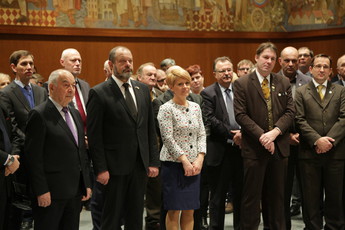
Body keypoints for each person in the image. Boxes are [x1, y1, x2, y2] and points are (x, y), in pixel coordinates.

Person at [87, 46, 160, 230]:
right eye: (122, 61)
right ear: (111, 64)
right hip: (113, 168)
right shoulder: (99, 92)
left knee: (135, 217)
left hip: (139, 166)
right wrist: (100, 169)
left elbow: (149, 129)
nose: (128, 65)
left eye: (130, 61)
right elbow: (95, 137)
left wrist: (153, 161)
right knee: (111, 218)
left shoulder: (142, 89)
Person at [233, 42, 295, 230]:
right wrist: (263, 136)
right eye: (265, 57)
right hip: (254, 149)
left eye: (272, 59)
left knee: (277, 199)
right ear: (256, 57)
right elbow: (240, 115)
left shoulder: (283, 82)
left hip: (279, 148)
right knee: (251, 199)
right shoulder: (242, 83)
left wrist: (275, 132)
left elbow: (290, 112)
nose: (269, 61)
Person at [24, 69, 91, 230]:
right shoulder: (39, 114)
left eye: (73, 85)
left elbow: (81, 152)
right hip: (51, 193)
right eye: (66, 85)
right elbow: (33, 158)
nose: (71, 89)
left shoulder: (74, 113)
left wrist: (86, 183)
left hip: (74, 191)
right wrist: (41, 191)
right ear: (52, 88)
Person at [295, 54, 345, 230]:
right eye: (318, 66)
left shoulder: (341, 91)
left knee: (335, 197)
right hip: (309, 153)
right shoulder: (301, 92)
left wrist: (328, 141)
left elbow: (343, 118)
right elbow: (299, 120)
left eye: (325, 66)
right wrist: (317, 140)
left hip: (336, 153)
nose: (321, 70)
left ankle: (334, 227)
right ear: (311, 69)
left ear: (331, 71)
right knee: (310, 199)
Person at [0, 50, 48, 230]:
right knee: (22, 209)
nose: (29, 67)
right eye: (23, 64)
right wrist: (33, 143)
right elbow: (12, 127)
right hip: (24, 154)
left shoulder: (40, 90)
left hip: (44, 155)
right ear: (13, 68)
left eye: (30, 64)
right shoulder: (7, 93)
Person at [157, 67, 206, 230]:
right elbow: (168, 139)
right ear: (171, 87)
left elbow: (201, 134)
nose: (185, 87)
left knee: (189, 209)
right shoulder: (166, 109)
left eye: (187, 83)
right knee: (174, 209)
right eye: (180, 84)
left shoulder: (195, 107)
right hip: (174, 165)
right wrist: (184, 161)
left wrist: (200, 158)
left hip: (194, 166)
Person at [200, 56, 243, 230]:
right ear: (214, 74)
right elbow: (210, 119)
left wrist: (244, 134)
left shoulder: (241, 90)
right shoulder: (208, 93)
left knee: (240, 195)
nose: (226, 74)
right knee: (217, 197)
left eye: (229, 70)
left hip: (241, 151)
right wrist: (234, 135)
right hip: (220, 151)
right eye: (222, 71)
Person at [277, 46, 311, 230]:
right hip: (282, 143)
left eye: (294, 60)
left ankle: (310, 225)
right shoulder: (272, 80)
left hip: (305, 142)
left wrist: (302, 134)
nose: (291, 64)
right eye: (287, 60)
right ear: (280, 61)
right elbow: (270, 114)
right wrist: (286, 135)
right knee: (283, 190)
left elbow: (313, 112)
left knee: (308, 190)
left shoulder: (308, 81)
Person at [136, 62, 162, 230]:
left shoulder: (160, 95)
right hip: (138, 152)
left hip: (157, 151)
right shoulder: (133, 94)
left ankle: (153, 224)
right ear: (139, 77)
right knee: (136, 196)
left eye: (155, 75)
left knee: (155, 195)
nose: (153, 77)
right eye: (149, 75)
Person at [0, 104, 23, 230]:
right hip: (5, 166)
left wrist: (13, 156)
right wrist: (8, 159)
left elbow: (14, 134)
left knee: (11, 220)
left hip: (9, 175)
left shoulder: (2, 106)